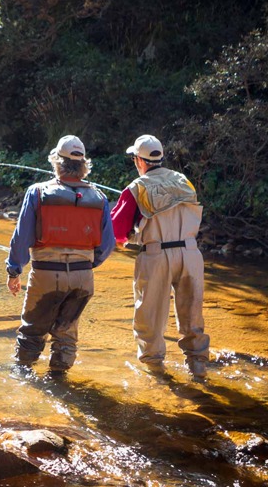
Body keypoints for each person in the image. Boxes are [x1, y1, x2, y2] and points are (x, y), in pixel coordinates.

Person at [5, 135, 115, 374]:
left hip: (46, 274)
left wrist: (14, 271)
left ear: (56, 161)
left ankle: (23, 381)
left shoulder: (37, 192)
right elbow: (107, 245)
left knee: (32, 332)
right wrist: (85, 264)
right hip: (82, 278)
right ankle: (59, 382)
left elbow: (22, 238)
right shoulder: (99, 198)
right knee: (66, 335)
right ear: (83, 165)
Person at [110, 134, 210, 378]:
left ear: (138, 161)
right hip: (191, 253)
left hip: (156, 257)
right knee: (192, 314)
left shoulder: (136, 188)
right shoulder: (184, 181)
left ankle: (155, 373)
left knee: (149, 319)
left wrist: (125, 240)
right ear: (160, 158)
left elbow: (116, 230)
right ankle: (198, 368)